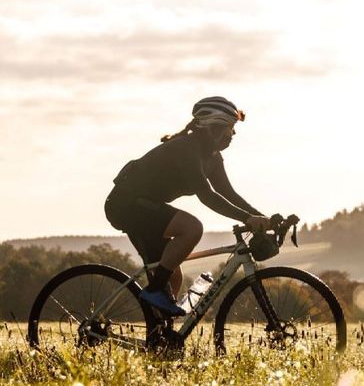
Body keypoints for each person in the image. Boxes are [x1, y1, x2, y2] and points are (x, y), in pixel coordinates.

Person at [105, 96, 271, 316]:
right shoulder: (187, 148)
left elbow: (227, 192)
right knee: (192, 228)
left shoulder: (212, 157)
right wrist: (247, 219)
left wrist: (261, 218)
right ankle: (154, 290)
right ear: (214, 128)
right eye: (230, 128)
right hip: (127, 205)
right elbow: (207, 196)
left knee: (173, 277)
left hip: (146, 208)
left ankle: (161, 337)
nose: (233, 134)